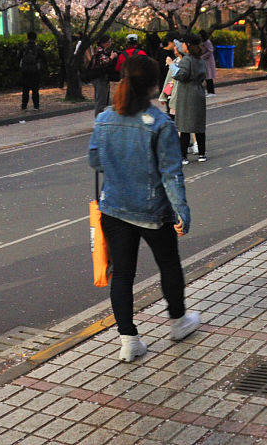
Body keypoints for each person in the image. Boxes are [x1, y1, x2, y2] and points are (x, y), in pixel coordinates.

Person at [88, 54, 201, 362]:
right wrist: (181, 212)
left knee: (122, 274)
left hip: (114, 208)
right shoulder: (161, 124)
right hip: (153, 211)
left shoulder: (104, 118)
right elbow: (171, 175)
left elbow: (95, 161)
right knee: (169, 265)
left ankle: (129, 341)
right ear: (153, 87)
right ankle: (178, 322)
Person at [172, 34, 208, 164]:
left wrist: (171, 66)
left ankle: (183, 156)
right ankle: (202, 154)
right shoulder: (200, 60)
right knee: (199, 125)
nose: (181, 45)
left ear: (188, 45)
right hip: (199, 92)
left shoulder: (187, 59)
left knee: (185, 126)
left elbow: (182, 75)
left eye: (183, 43)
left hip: (187, 93)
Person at [86, 34, 118, 115]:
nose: (110, 44)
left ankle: (100, 117)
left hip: (100, 78)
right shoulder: (100, 51)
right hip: (100, 78)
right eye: (109, 42)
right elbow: (104, 62)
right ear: (104, 43)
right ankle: (99, 118)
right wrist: (112, 57)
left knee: (101, 99)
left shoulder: (101, 51)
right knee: (101, 100)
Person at [17, 32, 45, 111]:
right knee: (35, 89)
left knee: (25, 89)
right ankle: (36, 106)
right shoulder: (38, 48)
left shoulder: (23, 48)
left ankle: (24, 106)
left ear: (27, 37)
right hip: (35, 72)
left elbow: (18, 58)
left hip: (25, 71)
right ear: (35, 38)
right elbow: (44, 58)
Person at [198, 30, 217, 96]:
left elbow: (210, 51)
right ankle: (209, 91)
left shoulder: (207, 42)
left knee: (209, 77)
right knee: (207, 77)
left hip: (208, 61)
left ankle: (211, 92)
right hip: (205, 61)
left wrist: (202, 56)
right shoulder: (202, 42)